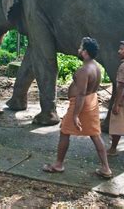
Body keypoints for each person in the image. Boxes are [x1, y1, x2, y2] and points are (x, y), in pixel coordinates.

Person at [43, 37, 112, 178]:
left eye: (80, 48)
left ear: (85, 52)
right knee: (95, 135)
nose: (78, 50)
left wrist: (75, 115)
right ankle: (106, 168)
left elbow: (81, 94)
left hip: (81, 104)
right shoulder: (96, 67)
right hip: (91, 101)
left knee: (64, 132)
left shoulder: (84, 70)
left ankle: (58, 164)